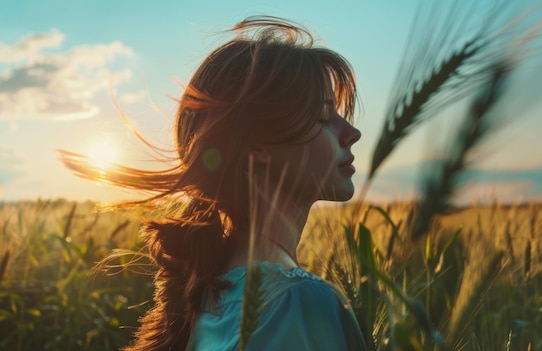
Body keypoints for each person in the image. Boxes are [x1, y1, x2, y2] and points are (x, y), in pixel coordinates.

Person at [61, 16, 365, 350]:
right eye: (323, 117)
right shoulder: (301, 302)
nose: (351, 132)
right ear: (256, 143)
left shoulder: (206, 295)